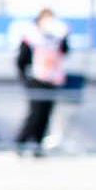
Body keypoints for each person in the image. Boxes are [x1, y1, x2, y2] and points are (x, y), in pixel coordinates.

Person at [14, 8, 71, 155]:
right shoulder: (31, 35)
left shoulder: (58, 36)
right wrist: (25, 79)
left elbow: (65, 51)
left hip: (52, 80)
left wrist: (64, 36)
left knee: (46, 114)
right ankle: (21, 143)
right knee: (35, 113)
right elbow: (21, 59)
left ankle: (38, 146)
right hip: (36, 79)